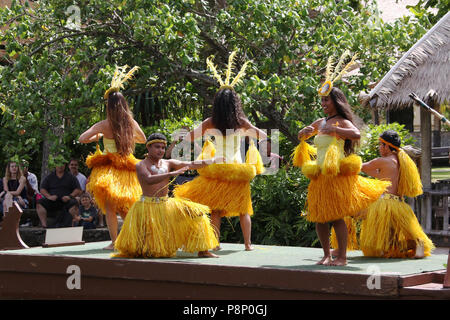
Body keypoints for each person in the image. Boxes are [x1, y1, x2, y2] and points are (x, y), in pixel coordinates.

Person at [293, 52, 390, 265]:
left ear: (336, 101)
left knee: (336, 216)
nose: (323, 103)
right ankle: (327, 255)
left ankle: (343, 257)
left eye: (326, 100)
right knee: (318, 217)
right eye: (322, 100)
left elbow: (356, 134)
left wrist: (334, 130)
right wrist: (304, 132)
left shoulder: (340, 122)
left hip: (335, 174)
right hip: (319, 176)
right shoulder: (322, 122)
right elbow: (306, 135)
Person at [173, 51, 267, 251]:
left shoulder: (210, 121)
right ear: (235, 104)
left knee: (215, 209)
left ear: (217, 104)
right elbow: (263, 136)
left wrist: (195, 140)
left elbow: (189, 137)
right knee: (244, 208)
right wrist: (254, 144)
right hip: (236, 168)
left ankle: (215, 244)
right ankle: (248, 245)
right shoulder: (241, 122)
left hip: (217, 167)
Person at [113, 133, 221, 258]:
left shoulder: (168, 163)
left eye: (163, 147)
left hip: (166, 204)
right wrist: (173, 173)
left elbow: (191, 163)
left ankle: (203, 250)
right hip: (147, 207)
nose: (161, 150)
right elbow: (149, 179)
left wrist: (213, 160)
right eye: (157, 147)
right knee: (150, 250)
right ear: (148, 148)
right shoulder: (141, 165)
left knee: (198, 214)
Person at [79, 65, 146, 250]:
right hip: (127, 168)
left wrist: (99, 135)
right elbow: (143, 139)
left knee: (110, 207)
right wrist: (126, 136)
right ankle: (134, 239)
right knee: (125, 206)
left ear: (109, 106)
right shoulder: (130, 123)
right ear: (124, 104)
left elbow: (82, 138)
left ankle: (115, 242)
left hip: (109, 169)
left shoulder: (103, 124)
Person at [358, 130, 435, 258]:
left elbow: (361, 167)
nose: (379, 147)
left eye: (380, 144)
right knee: (403, 230)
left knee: (379, 228)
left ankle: (384, 249)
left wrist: (344, 161)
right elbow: (381, 176)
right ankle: (418, 246)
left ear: (386, 146)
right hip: (399, 203)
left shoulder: (382, 161)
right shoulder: (401, 162)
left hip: (384, 203)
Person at [36, 160, 82, 228]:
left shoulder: (71, 177)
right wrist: (49, 196)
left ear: (65, 165)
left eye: (62, 164)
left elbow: (78, 189)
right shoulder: (50, 177)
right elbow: (42, 189)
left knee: (74, 203)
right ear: (55, 165)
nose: (60, 166)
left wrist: (69, 196)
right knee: (39, 203)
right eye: (58, 164)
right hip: (53, 200)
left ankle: (74, 224)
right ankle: (44, 224)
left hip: (66, 200)